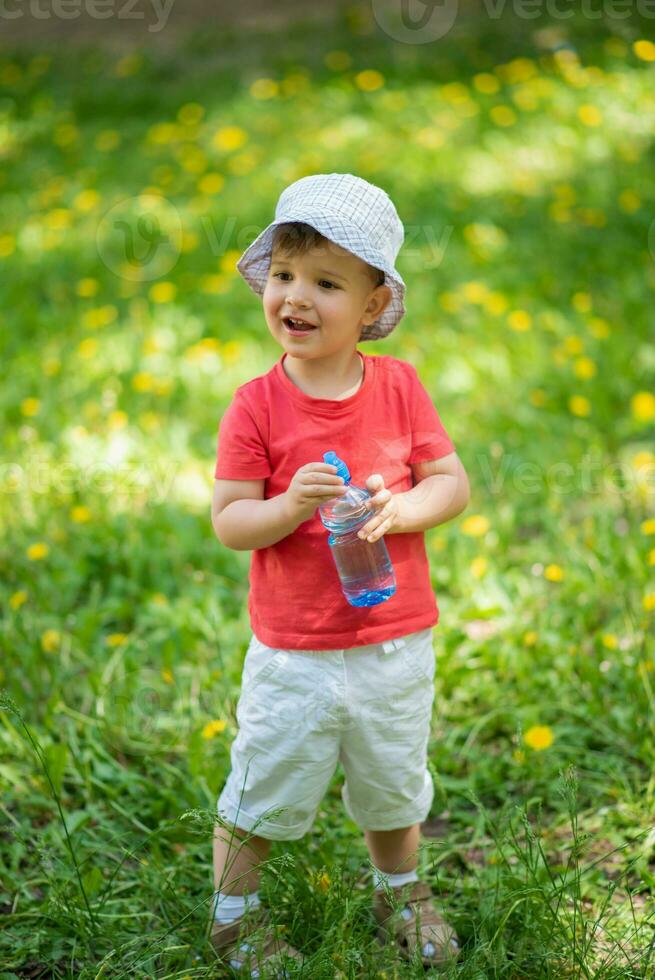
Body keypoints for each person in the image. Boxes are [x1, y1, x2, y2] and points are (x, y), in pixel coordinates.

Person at [209, 172, 470, 973]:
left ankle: (402, 889)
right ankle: (233, 916)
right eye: (284, 275)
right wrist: (288, 506)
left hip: (392, 641)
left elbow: (451, 483)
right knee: (266, 785)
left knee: (394, 780)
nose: (296, 295)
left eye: (325, 282)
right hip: (296, 650)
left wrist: (404, 511)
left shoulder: (397, 387)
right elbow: (229, 522)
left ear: (369, 306)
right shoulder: (255, 406)